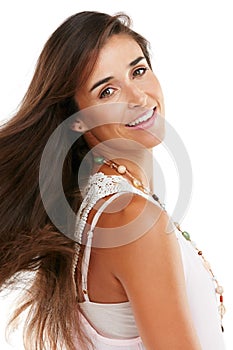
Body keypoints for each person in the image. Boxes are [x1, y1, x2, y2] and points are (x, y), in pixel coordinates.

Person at [0, 11, 226, 350]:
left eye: (138, 71)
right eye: (107, 92)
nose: (138, 98)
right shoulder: (131, 217)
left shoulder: (96, 208)